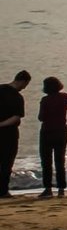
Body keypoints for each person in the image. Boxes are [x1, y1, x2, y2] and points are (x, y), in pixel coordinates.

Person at [36, 76, 67, 198]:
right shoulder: (65, 97)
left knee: (46, 161)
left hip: (47, 132)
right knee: (60, 160)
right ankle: (61, 190)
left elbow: (41, 117)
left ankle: (48, 189)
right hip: (61, 131)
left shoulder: (45, 100)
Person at [0, 70, 31, 198]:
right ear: (22, 81)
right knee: (6, 162)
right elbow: (16, 118)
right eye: (25, 85)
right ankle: (3, 191)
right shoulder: (18, 97)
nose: (24, 88)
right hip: (9, 133)